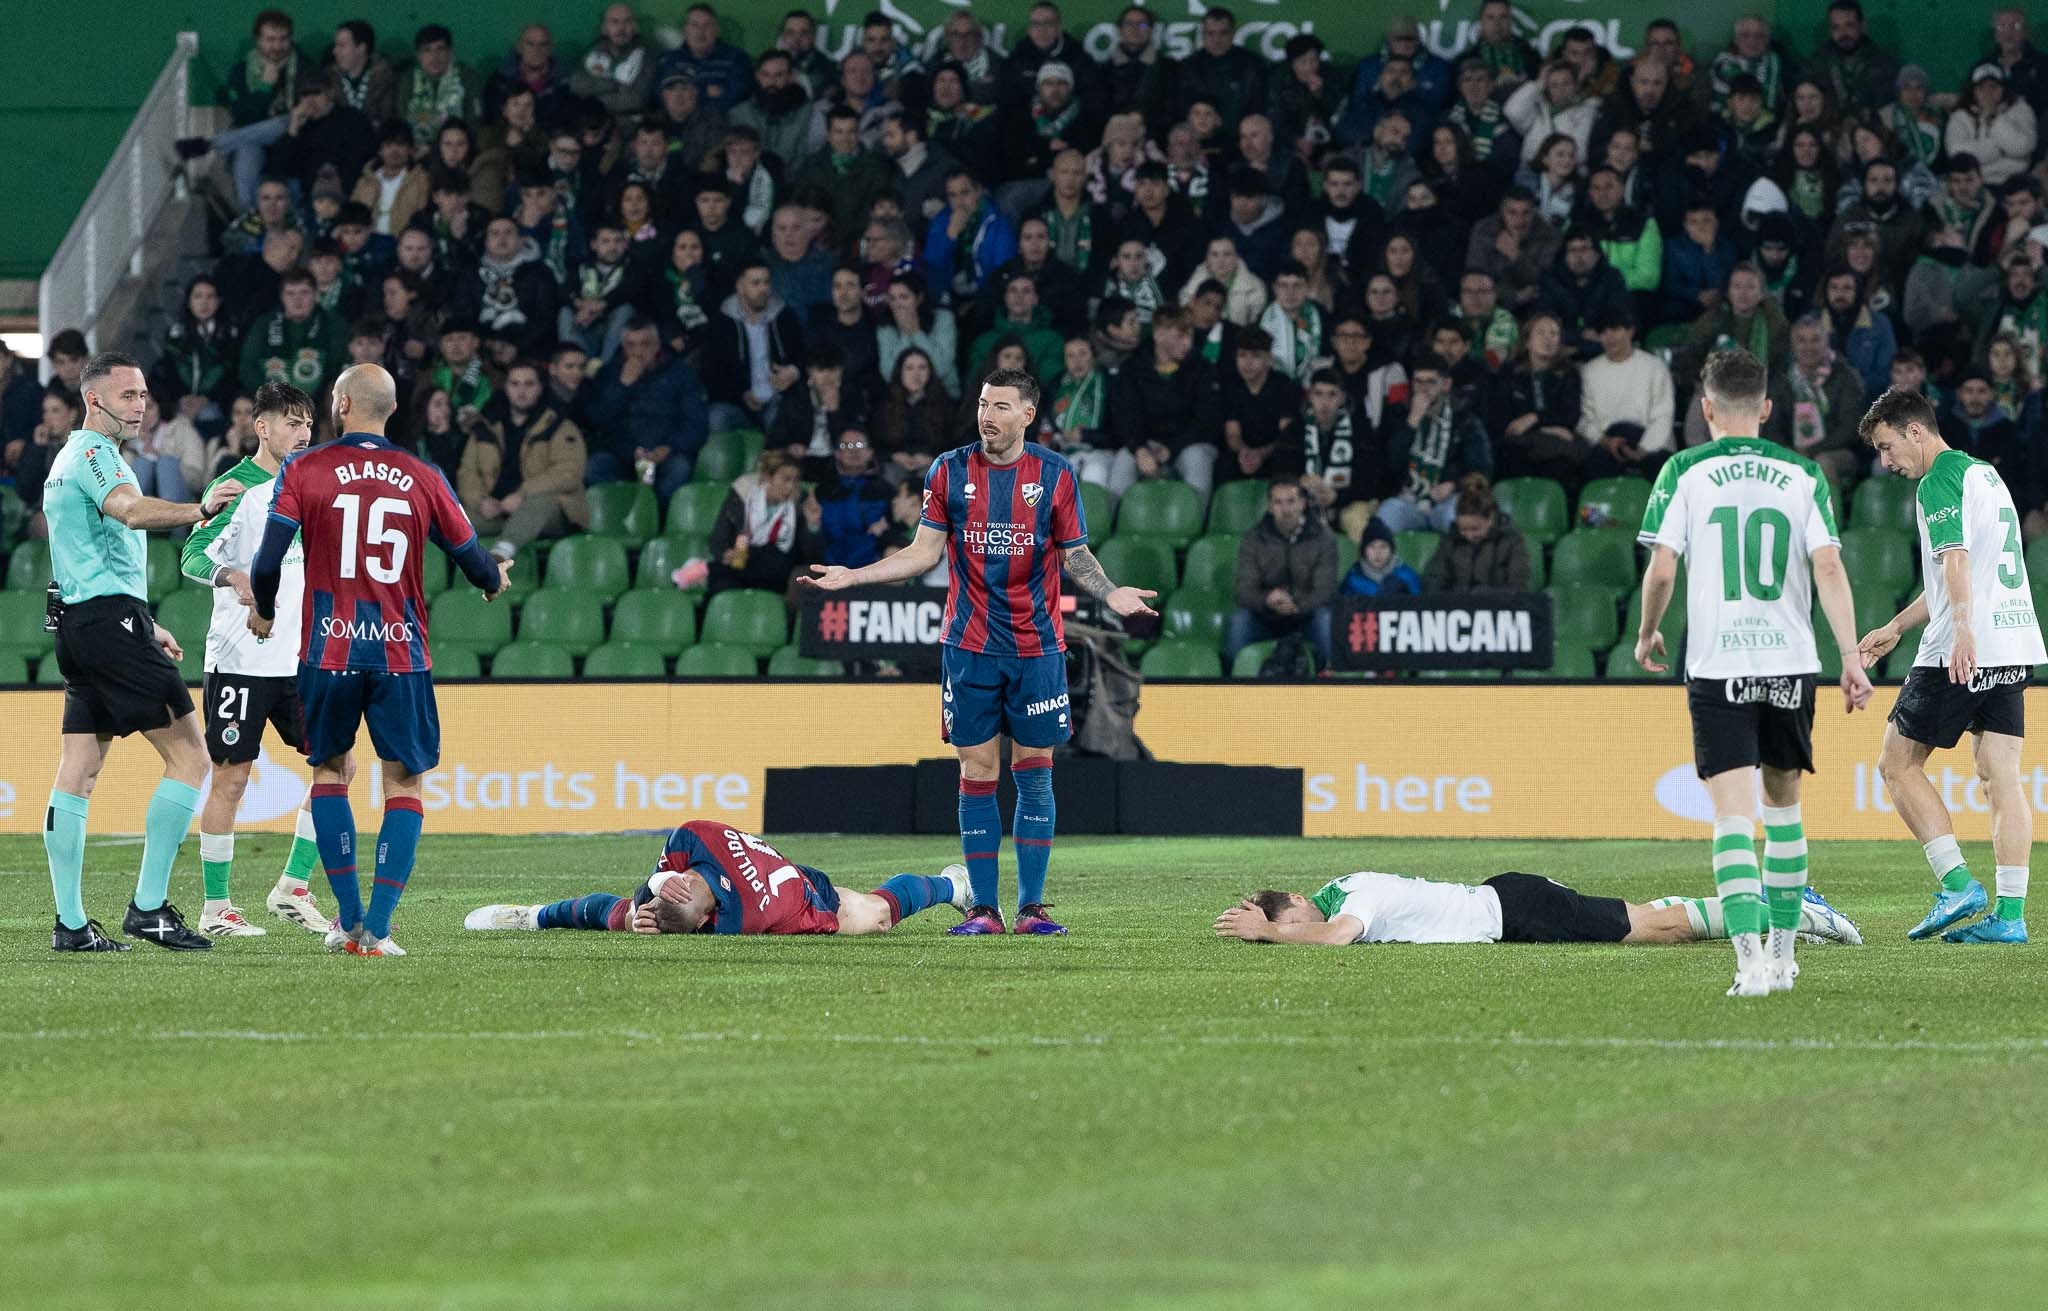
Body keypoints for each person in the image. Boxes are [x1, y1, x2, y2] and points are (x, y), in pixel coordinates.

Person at [803, 368, 1157, 936]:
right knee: (977, 770)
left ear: (1027, 415)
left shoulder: (1055, 475)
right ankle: (984, 910)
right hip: (968, 648)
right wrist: (856, 577)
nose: (987, 416)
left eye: (1000, 407)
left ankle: (1033, 908)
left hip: (1037, 647)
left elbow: (1074, 555)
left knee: (1036, 770)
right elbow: (922, 555)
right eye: (983, 405)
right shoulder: (949, 470)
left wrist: (1111, 591)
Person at [248, 364, 510, 958]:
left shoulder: (304, 467)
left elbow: (267, 561)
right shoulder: (422, 474)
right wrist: (492, 579)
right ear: (390, 410)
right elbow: (470, 553)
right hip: (399, 652)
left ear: (341, 404)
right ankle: (380, 929)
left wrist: (263, 608)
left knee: (330, 774)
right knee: (403, 783)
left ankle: (346, 919)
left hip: (327, 649)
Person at [1632, 348, 1873, 995]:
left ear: (1707, 408)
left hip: (1718, 664)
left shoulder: (1683, 470)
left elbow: (1661, 570)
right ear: (1767, 408)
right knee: (1785, 811)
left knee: (1733, 817)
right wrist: (1850, 655)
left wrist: (1650, 629)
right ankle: (1786, 954)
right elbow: (1828, 568)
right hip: (1790, 663)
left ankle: (1749, 965)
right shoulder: (1803, 474)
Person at [41, 352, 249, 952]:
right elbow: (130, 512)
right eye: (128, 395)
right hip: (108, 624)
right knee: (191, 757)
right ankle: (150, 908)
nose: (140, 405)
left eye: (143, 395)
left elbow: (88, 555)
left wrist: (143, 620)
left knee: (77, 773)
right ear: (94, 400)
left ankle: (72, 926)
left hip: (84, 625)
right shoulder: (96, 454)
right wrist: (199, 508)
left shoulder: (66, 461)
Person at [1855, 388, 2047, 945]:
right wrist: (1896, 624)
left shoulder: (1938, 479)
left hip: (1963, 647)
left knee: (1896, 763)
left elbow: (1957, 561)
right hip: (2012, 642)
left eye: (1888, 447)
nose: (1886, 462)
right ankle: (2010, 916)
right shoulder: (1985, 475)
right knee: (2000, 775)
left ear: (1915, 431)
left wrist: (1962, 631)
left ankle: (1957, 883)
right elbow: (1953, 573)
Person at [176, 383, 327, 938]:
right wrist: (232, 575)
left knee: (337, 764)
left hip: (300, 658)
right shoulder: (234, 486)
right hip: (241, 657)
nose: (303, 432)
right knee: (232, 778)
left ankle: (292, 887)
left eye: (307, 422)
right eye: (291, 422)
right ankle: (216, 908)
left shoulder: (311, 487)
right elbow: (191, 555)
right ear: (261, 428)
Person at [468, 821, 972, 936]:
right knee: (626, 914)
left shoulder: (744, 918)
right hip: (761, 870)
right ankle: (530, 915)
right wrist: (647, 894)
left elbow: (701, 927)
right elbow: (655, 886)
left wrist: (642, 916)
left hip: (802, 894)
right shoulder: (691, 838)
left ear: (710, 916)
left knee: (874, 916)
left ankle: (954, 885)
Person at [1215, 868, 1864, 948]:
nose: (1295, 931)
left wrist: (1271, 936)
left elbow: (1332, 937)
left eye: (1287, 920)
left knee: (1657, 927)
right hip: (1511, 907)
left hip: (1516, 910)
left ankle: (1788, 907)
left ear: (1297, 901)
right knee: (1650, 924)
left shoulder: (1355, 896)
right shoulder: (1348, 887)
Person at [459, 360, 589, 561]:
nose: (521, 391)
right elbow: (467, 472)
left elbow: (569, 473)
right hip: (497, 511)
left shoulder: (559, 425)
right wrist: (481, 500)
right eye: (515, 384)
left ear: (539, 388)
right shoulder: (486, 426)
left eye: (529, 384)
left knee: (539, 503)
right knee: (449, 524)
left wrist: (522, 494)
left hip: (548, 513)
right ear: (506, 388)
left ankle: (500, 555)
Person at [583, 318, 709, 502]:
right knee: (594, 467)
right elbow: (598, 419)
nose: (638, 352)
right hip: (624, 455)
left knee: (679, 468)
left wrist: (669, 448)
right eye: (631, 345)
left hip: (666, 454)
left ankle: (653, 518)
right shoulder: (609, 373)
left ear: (657, 345)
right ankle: (623, 515)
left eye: (645, 344)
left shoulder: (681, 373)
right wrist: (623, 386)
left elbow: (697, 423)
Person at [1226, 478, 1337, 670]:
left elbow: (1325, 589)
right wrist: (1267, 599)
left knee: (1325, 619)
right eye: (1278, 502)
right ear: (1269, 507)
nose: (1285, 509)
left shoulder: (1324, 538)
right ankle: (1227, 686)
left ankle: (1331, 683)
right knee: (1239, 621)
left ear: (1302, 504)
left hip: (1307, 616)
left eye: (1291, 501)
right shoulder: (1254, 539)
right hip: (1266, 617)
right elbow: (1244, 590)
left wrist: (1296, 604)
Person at [1378, 353, 1491, 534]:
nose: (1423, 389)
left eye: (1430, 382)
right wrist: (1412, 423)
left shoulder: (1465, 419)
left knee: (1458, 516)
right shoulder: (1399, 414)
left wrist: (1454, 485)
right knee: (1384, 518)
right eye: (1418, 382)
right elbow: (1391, 464)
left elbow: (1482, 469)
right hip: (1409, 499)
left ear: (1445, 384)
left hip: (1447, 500)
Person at [1577, 310, 1675, 477]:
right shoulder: (1589, 371)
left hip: (1651, 447)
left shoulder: (1654, 367)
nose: (1609, 337)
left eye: (1615, 329)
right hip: (1606, 445)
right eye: (1603, 332)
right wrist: (1606, 442)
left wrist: (1643, 449)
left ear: (1630, 331)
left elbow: (1663, 416)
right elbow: (1584, 419)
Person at [1422, 477, 1531, 593]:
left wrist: (1481, 595)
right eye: (1463, 529)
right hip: (1455, 607)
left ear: (1490, 518)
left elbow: (1519, 587)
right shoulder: (1450, 540)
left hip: (1497, 607)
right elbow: (1435, 579)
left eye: (1475, 529)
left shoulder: (1512, 540)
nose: (1469, 535)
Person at [1341, 517, 1422, 597]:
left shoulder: (1406, 576)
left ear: (1391, 551)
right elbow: (1341, 607)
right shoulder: (1353, 580)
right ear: (1364, 551)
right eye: (1372, 547)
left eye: (1383, 547)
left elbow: (1420, 605)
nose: (1378, 552)